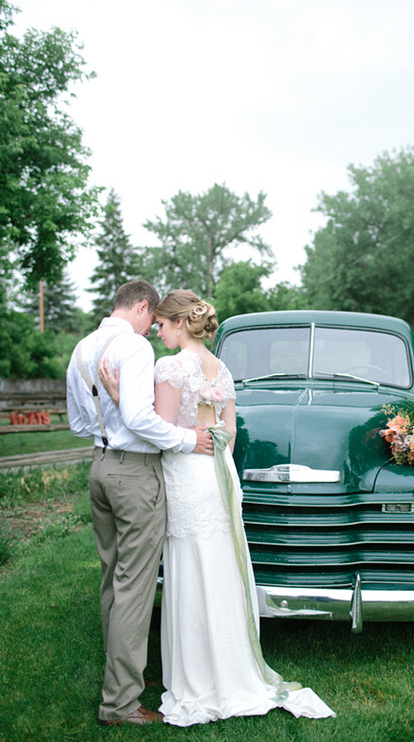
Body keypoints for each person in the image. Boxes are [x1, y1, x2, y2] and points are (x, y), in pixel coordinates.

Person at [99, 289, 335, 726]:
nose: (158, 333)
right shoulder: (222, 369)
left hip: (186, 475)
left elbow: (158, 429)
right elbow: (228, 431)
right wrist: (208, 439)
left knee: (191, 568)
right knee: (218, 566)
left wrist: (118, 399)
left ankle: (197, 677)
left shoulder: (170, 367)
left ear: (177, 322)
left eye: (163, 326)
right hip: (217, 474)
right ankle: (229, 667)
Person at [66, 280, 214, 727]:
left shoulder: (82, 349)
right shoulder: (134, 348)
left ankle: (121, 676)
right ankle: (120, 702)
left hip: (100, 467)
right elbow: (138, 417)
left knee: (114, 579)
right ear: (144, 307)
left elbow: (77, 422)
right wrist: (189, 439)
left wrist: (109, 418)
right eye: (155, 318)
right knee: (135, 587)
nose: (155, 328)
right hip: (133, 475)